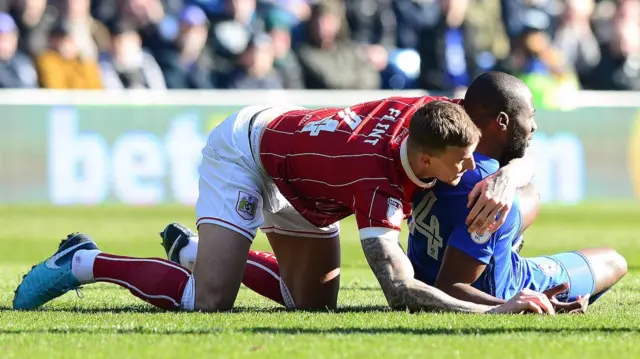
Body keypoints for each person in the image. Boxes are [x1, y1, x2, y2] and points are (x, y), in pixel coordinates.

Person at [14, 88, 555, 315]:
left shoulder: (434, 115)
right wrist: (498, 309)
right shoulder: (375, 185)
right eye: (463, 165)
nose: (471, 173)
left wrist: (514, 174)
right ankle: (84, 261)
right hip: (248, 154)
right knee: (209, 303)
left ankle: (193, 249)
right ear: (429, 160)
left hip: (310, 175)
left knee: (312, 306)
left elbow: (490, 134)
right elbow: (400, 289)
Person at [407, 72, 628, 309]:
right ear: (502, 121)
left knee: (528, 197)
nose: (534, 126)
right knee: (613, 262)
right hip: (499, 288)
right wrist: (517, 306)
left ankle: (506, 246)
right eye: (530, 116)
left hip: (422, 275)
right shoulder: (493, 196)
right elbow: (450, 287)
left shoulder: (437, 160)